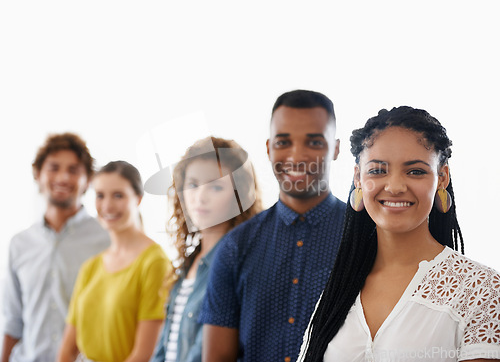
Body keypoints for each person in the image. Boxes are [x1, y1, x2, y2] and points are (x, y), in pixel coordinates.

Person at [298, 106, 500, 362]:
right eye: (377, 170)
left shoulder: (483, 290)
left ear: (442, 178)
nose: (394, 187)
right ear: (358, 178)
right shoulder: (338, 287)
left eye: (415, 171)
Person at [199, 90, 346, 362]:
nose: (296, 156)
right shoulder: (235, 246)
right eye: (283, 142)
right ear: (268, 148)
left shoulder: (366, 236)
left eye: (314, 142)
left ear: (335, 148)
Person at [149, 136, 263, 362]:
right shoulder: (187, 264)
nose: (200, 197)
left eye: (216, 186)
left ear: (238, 195)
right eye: (192, 185)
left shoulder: (244, 264)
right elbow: (164, 348)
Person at [1, 133, 110, 362]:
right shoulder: (19, 244)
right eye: (53, 168)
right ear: (38, 174)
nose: (63, 177)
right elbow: (13, 322)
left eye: (73, 170)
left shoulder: (107, 241)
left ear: (88, 180)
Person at [57, 161, 172, 362]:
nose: (107, 206)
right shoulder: (91, 267)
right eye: (100, 195)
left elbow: (143, 355)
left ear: (138, 198)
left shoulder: (155, 263)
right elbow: (67, 351)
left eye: (118, 195)